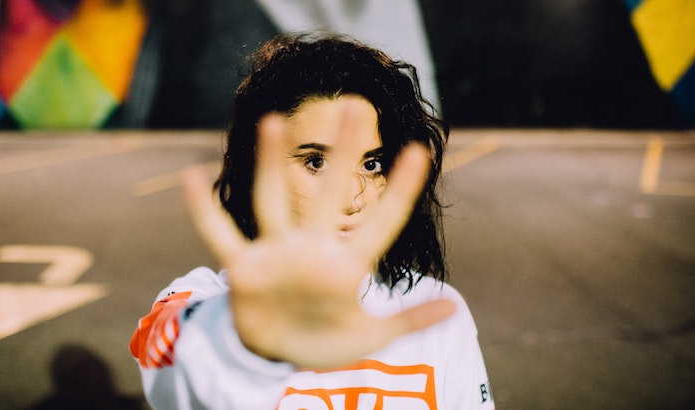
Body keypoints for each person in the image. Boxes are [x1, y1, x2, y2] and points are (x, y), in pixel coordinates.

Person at [130, 32, 494, 409]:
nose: (352, 197)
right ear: (258, 168)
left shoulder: (432, 310)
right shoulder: (205, 302)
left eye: (372, 164)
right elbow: (169, 360)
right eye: (316, 161)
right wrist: (249, 345)